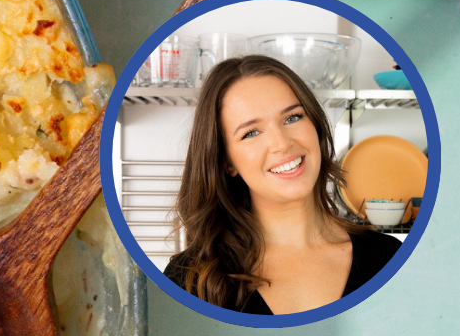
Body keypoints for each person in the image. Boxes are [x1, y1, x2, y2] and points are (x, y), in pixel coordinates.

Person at [163, 55, 401, 315]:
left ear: (316, 125)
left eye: (292, 118)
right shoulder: (188, 280)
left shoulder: (390, 258)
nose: (282, 143)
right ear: (227, 162)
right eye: (251, 132)